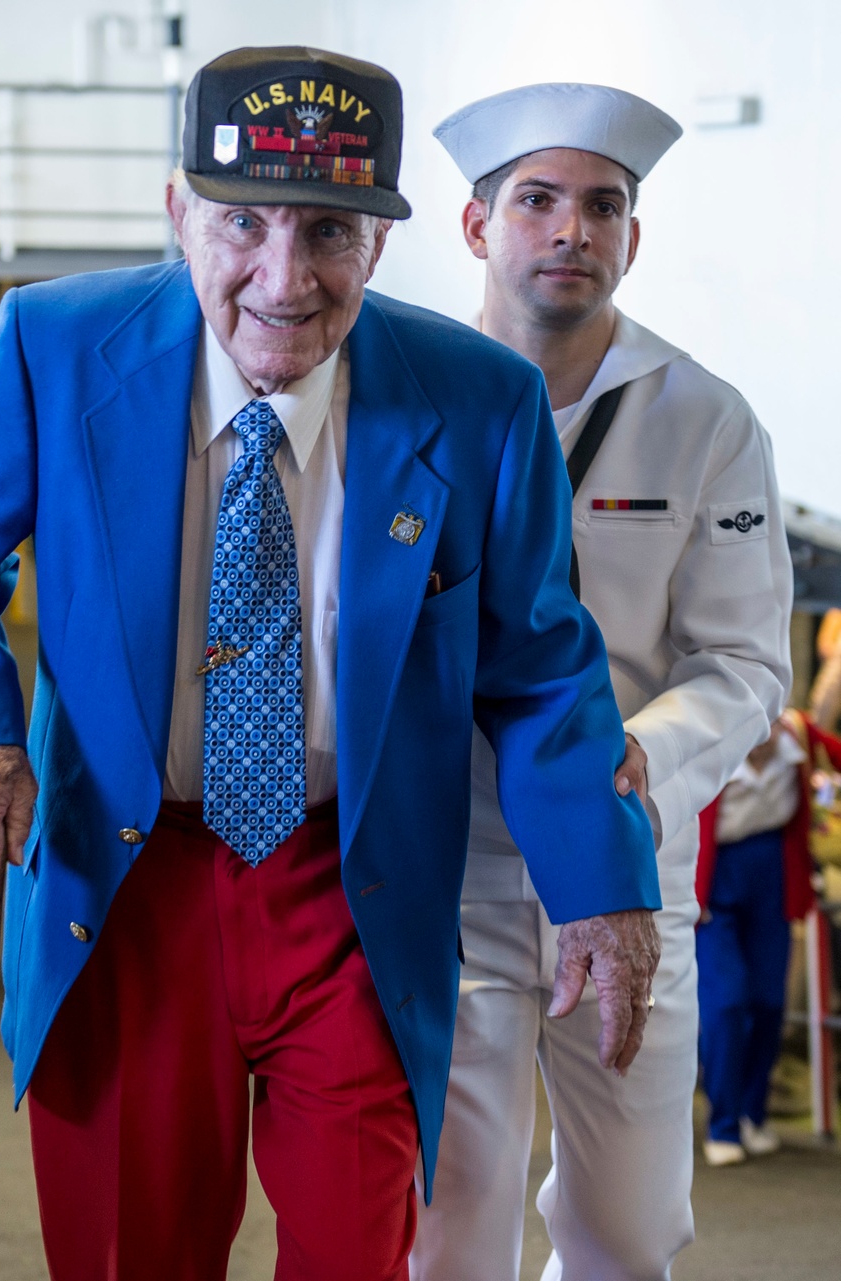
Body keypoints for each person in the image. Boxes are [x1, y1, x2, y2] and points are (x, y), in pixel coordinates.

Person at [0, 50, 661, 1281]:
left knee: (356, 1248)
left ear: (383, 244)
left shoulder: (477, 400)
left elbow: (543, 666)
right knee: (137, 1252)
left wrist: (602, 888)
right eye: (243, 222)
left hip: (352, 890)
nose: (283, 281)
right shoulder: (56, 346)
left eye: (330, 232)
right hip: (125, 887)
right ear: (178, 210)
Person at [413, 83, 793, 1281]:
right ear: (477, 228)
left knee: (628, 1226)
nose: (571, 229)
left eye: (602, 205)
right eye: (537, 201)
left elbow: (741, 660)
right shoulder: (401, 397)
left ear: (632, 236)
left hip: (630, 860)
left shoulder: (705, 420)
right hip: (447, 864)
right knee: (446, 1222)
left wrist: (639, 758)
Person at [696, 711, 841, 1165]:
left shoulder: (797, 735)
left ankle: (752, 1115)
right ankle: (722, 1121)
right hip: (716, 882)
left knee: (768, 1002)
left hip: (774, 878)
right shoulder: (710, 740)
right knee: (726, 1002)